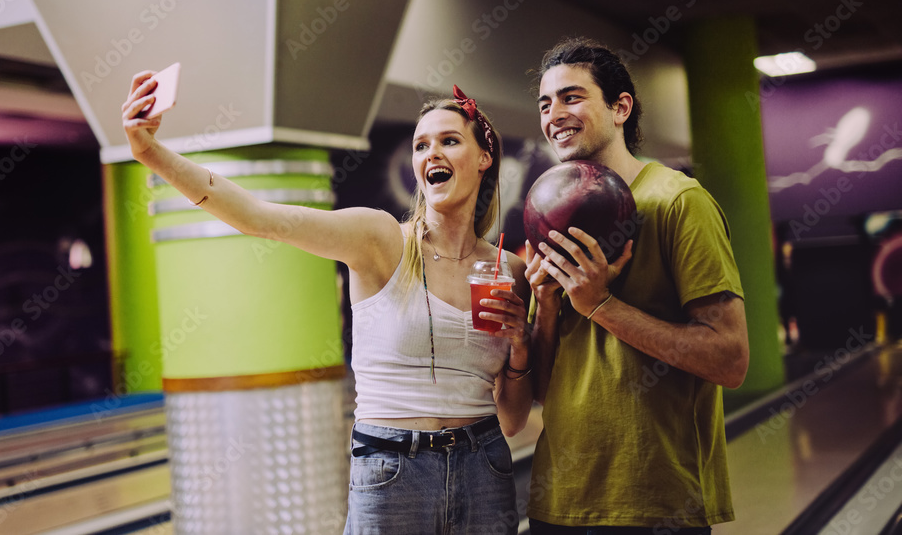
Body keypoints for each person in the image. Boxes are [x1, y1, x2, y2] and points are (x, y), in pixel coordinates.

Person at [122, 74, 533, 534]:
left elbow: (514, 421)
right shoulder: (380, 240)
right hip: (395, 470)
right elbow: (261, 218)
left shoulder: (508, 271)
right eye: (420, 146)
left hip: (485, 465)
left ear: (484, 158)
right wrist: (149, 152)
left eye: (449, 141)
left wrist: (520, 346)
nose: (430, 154)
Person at [524, 37, 750, 534]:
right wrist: (543, 305)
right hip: (559, 500)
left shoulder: (678, 202)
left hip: (656, 503)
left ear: (620, 107)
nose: (554, 113)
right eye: (545, 103)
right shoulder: (549, 216)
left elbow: (730, 359)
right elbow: (544, 390)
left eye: (571, 96)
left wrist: (600, 304)